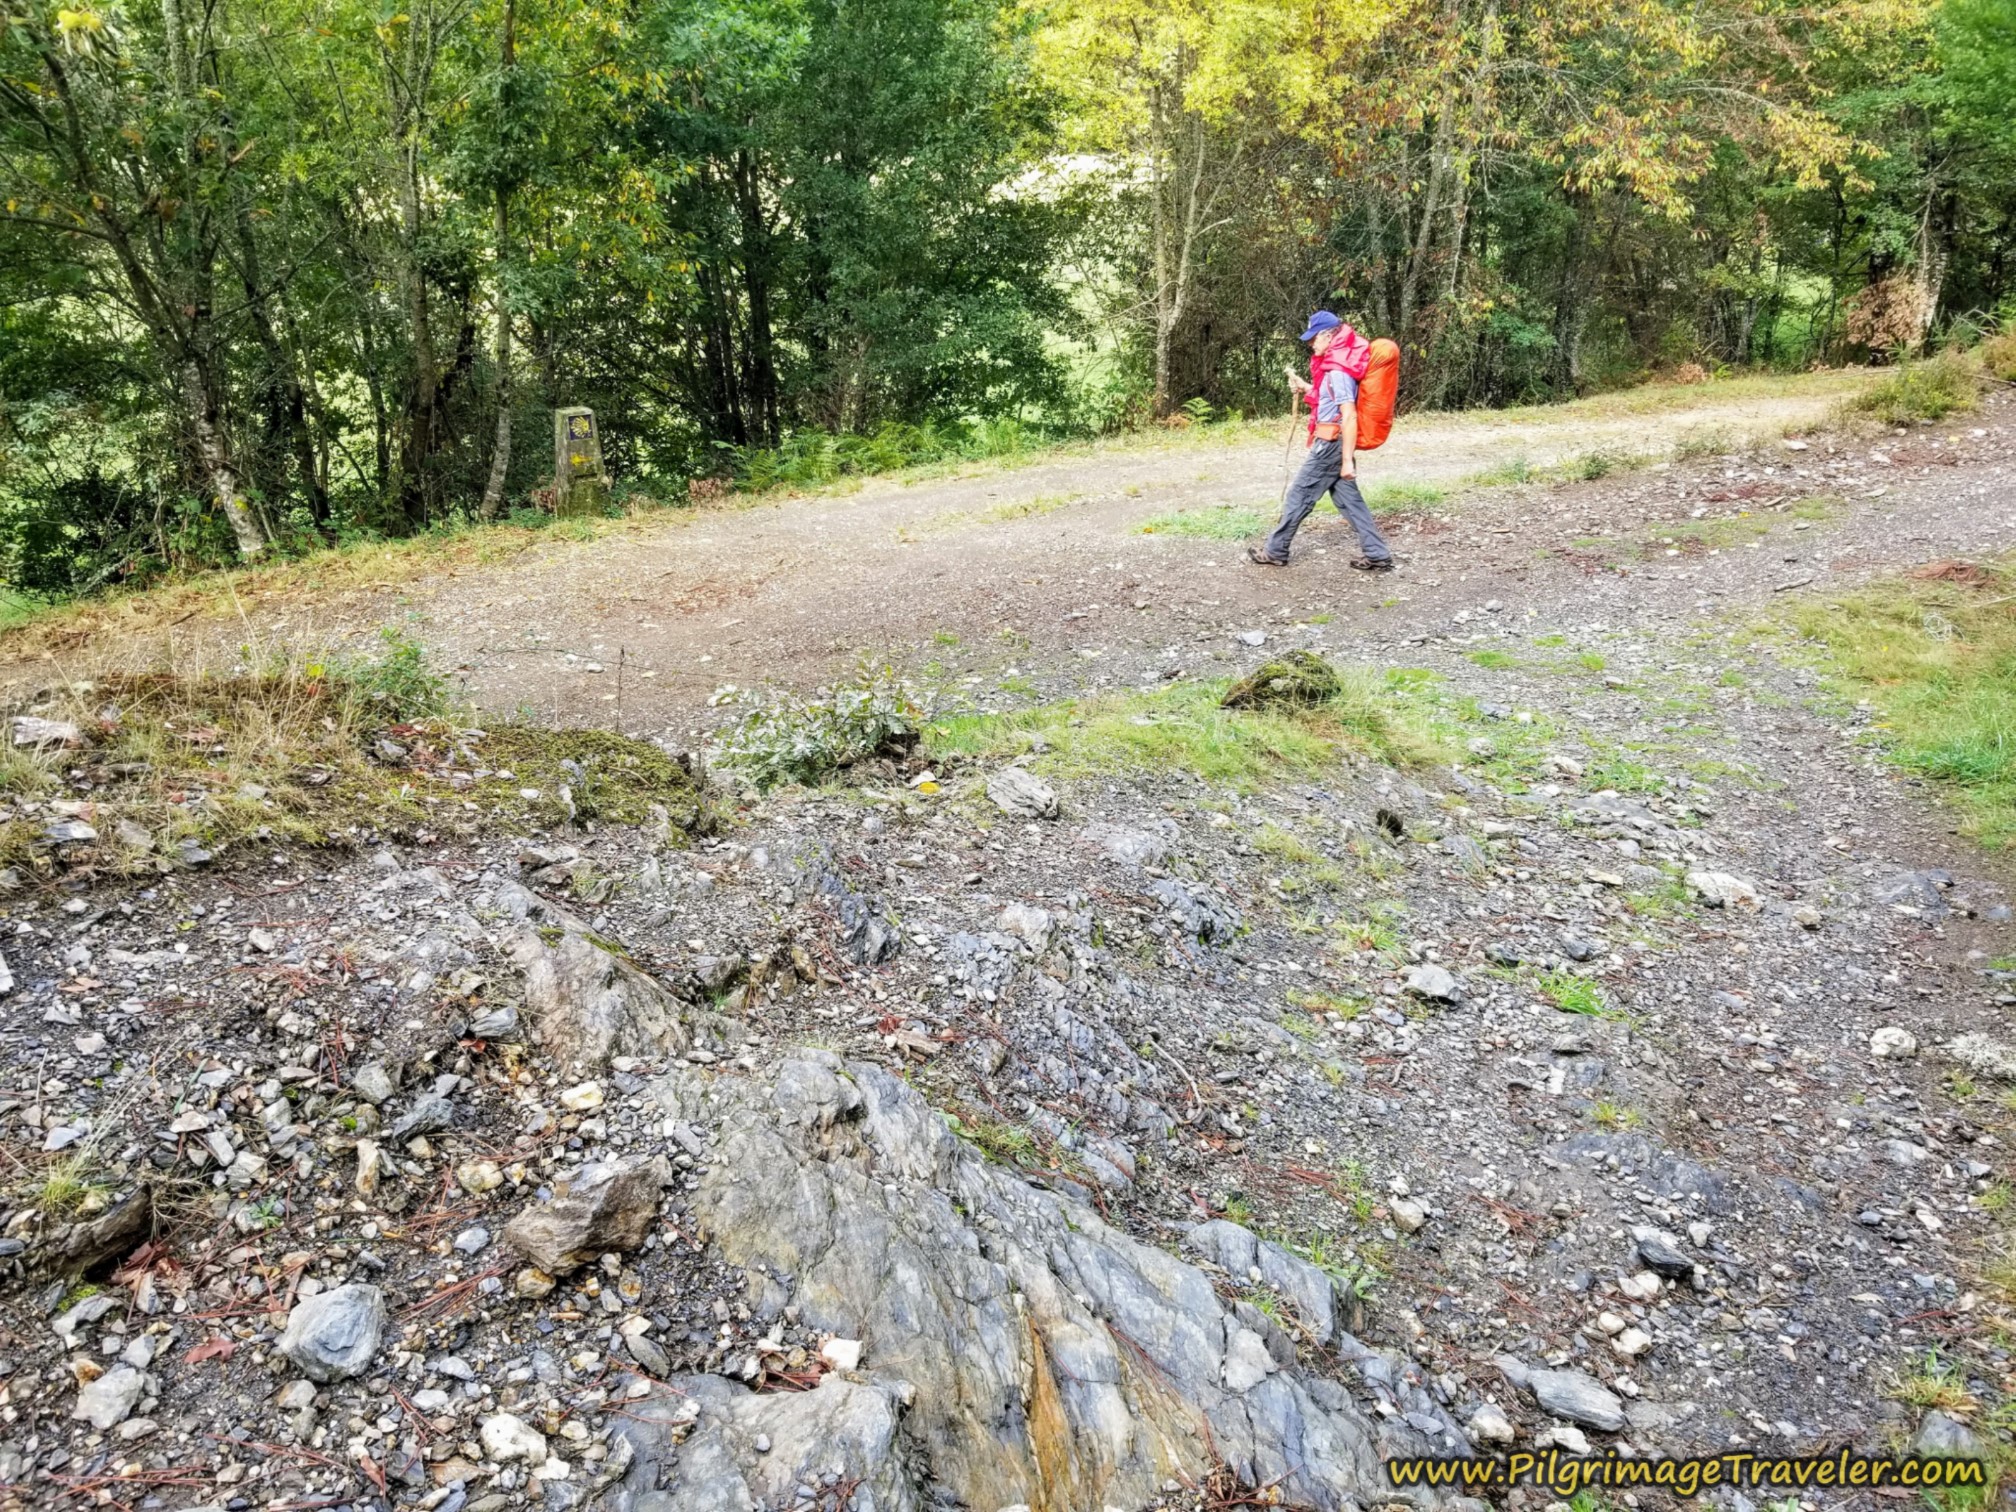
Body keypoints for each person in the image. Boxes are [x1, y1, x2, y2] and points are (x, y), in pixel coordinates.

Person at [1247, 311, 1394, 572]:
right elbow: (1329, 401)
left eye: (1314, 338)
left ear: (1329, 335)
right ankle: (1377, 553)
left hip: (1331, 443)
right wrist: (1306, 387)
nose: (1311, 344)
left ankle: (1275, 550)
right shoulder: (1338, 362)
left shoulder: (1338, 369)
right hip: (1335, 441)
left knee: (1299, 494)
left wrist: (1347, 461)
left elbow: (1349, 415)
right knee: (1349, 500)